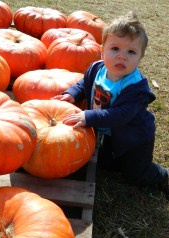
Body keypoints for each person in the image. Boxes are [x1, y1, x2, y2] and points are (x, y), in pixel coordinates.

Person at [52, 11, 169, 198]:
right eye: (115, 48)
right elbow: (84, 83)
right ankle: (115, 159)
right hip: (110, 132)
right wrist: (72, 94)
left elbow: (121, 115)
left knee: (135, 174)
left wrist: (89, 116)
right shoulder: (97, 68)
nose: (122, 56)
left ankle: (162, 176)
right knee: (107, 163)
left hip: (135, 138)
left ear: (140, 58)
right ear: (102, 49)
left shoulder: (136, 88)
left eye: (131, 52)